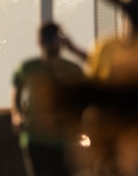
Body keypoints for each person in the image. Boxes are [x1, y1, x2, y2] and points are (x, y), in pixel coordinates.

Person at [11, 22, 85, 176]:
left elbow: (83, 99)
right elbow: (16, 92)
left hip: (65, 139)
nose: (51, 43)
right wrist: (17, 115)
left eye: (55, 38)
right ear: (40, 41)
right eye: (47, 38)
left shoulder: (73, 70)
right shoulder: (28, 67)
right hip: (34, 137)